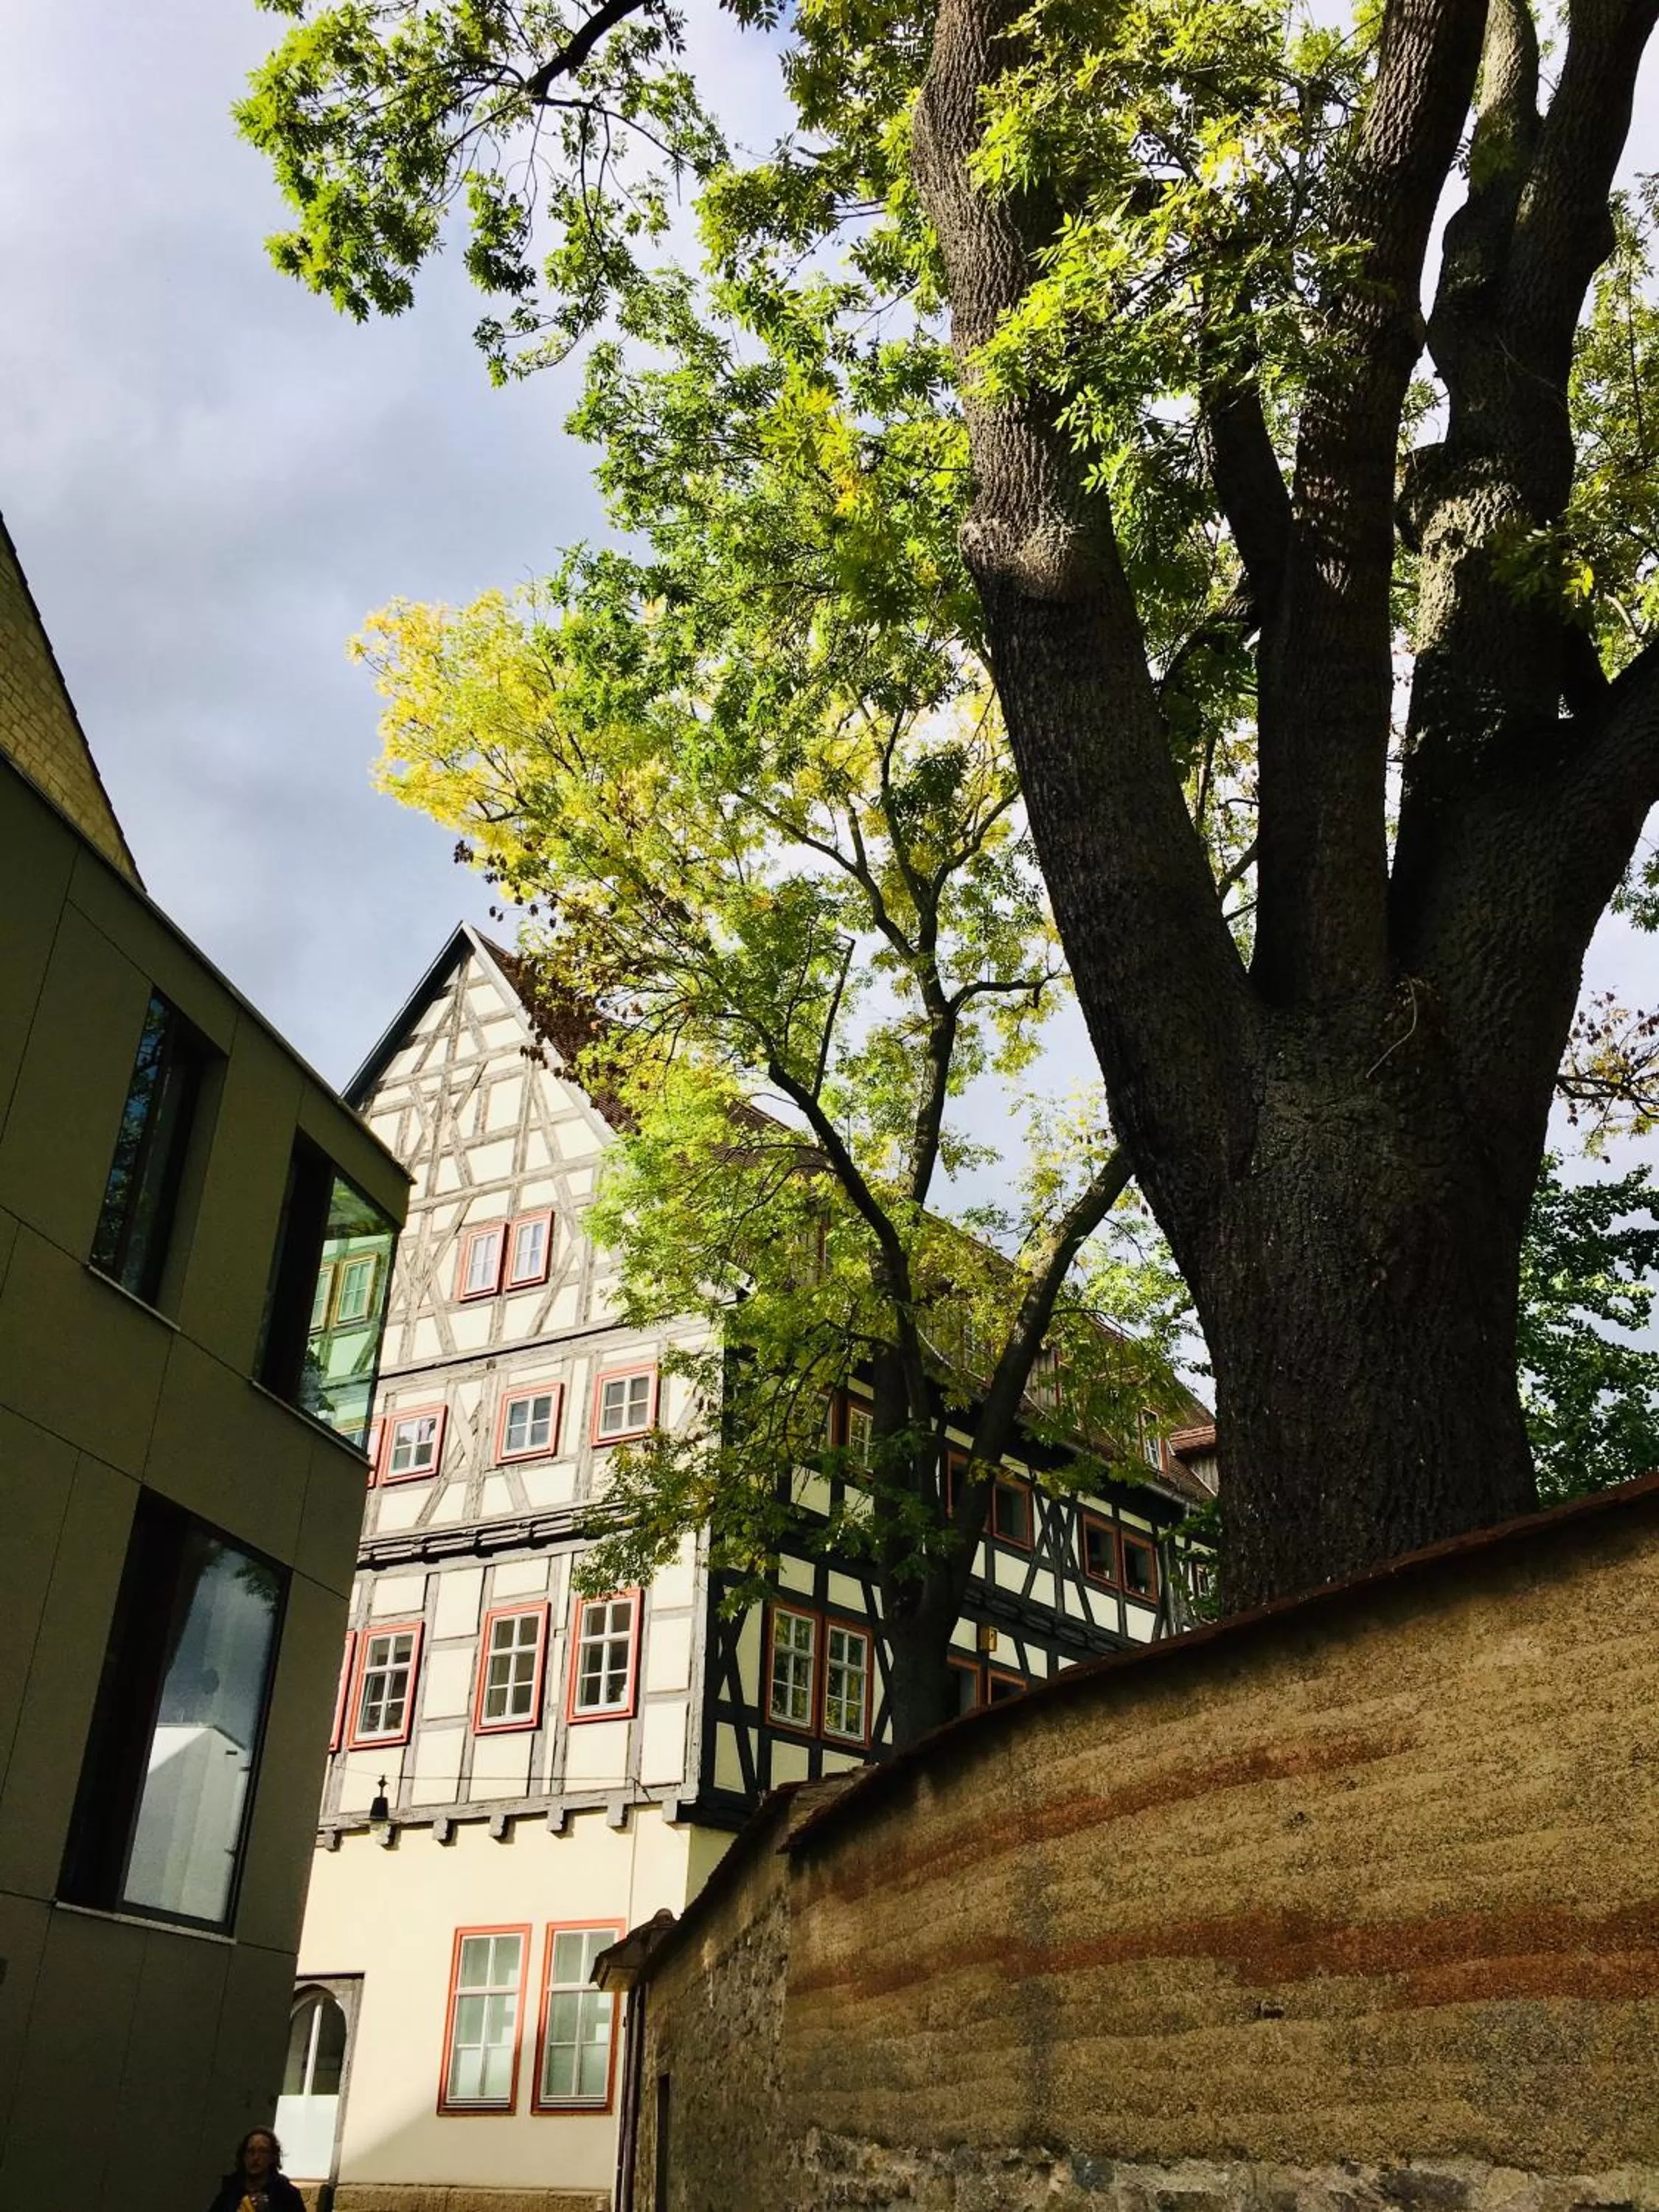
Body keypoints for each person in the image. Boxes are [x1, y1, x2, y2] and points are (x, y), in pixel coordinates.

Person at [206, 2127, 306, 2212]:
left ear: (272, 2157)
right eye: (251, 2151)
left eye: (263, 2151)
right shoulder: (230, 2191)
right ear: (244, 2156)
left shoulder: (287, 2194)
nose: (256, 2157)